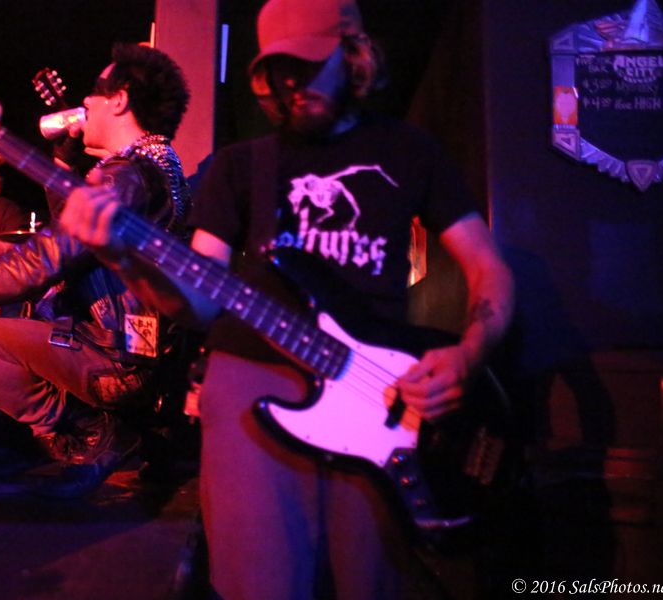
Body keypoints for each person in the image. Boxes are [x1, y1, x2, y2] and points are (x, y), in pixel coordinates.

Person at [59, 0, 515, 596]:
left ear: (355, 56)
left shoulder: (410, 151)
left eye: (310, 65)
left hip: (381, 392)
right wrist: (122, 255)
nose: (293, 85)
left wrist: (468, 355)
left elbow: (487, 267)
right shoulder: (239, 167)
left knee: (373, 582)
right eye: (280, 72)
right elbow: (199, 301)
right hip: (250, 382)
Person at [0, 43, 192, 495]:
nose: (85, 102)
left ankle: (93, 430)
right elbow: (76, 238)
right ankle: (96, 428)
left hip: (115, 363)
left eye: (95, 91)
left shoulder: (125, 175)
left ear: (120, 99)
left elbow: (42, 260)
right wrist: (64, 165)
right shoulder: (155, 168)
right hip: (135, 354)